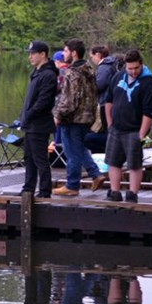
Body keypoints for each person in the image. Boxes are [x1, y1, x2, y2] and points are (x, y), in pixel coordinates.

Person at [104, 49, 152, 203]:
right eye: (130, 68)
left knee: (134, 164)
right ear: (125, 67)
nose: (133, 71)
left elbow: (149, 112)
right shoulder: (117, 77)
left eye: (136, 68)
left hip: (134, 129)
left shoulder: (148, 83)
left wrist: (142, 134)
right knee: (113, 161)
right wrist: (109, 123)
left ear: (141, 64)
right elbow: (108, 101)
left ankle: (132, 194)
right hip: (116, 127)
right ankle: (114, 192)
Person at [53, 38, 107, 196]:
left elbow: (69, 101)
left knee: (71, 153)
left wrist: (57, 116)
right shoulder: (88, 68)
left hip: (73, 119)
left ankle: (72, 186)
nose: (64, 54)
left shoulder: (73, 73)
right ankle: (96, 174)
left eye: (66, 51)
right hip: (86, 117)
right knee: (80, 148)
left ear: (74, 53)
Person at [18, 41, 59, 199]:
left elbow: (44, 101)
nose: (30, 57)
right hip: (30, 124)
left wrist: (29, 114)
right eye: (29, 53)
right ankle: (28, 188)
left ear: (43, 54)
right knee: (28, 157)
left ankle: (44, 191)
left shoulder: (48, 75)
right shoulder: (37, 72)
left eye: (33, 53)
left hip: (39, 124)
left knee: (40, 159)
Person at [87, 45, 119, 152]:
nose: (92, 60)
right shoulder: (112, 64)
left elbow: (99, 85)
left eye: (92, 57)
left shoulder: (104, 67)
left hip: (106, 103)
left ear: (98, 55)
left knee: (107, 129)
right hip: (111, 101)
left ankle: (109, 151)